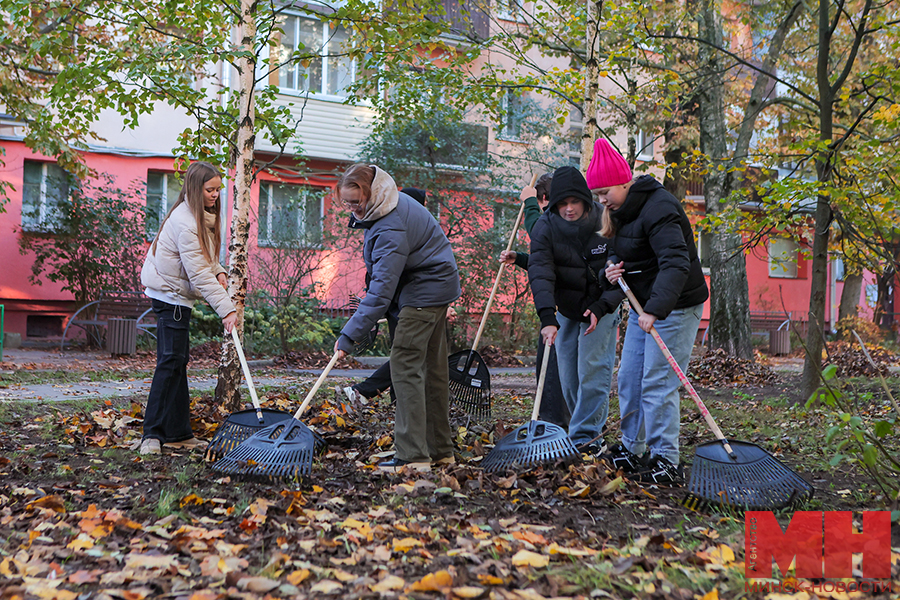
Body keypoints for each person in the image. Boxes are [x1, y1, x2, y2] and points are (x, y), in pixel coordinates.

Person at [588, 138, 709, 485]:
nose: (602, 201)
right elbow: (616, 254)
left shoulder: (659, 207)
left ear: (625, 181)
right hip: (646, 307)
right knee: (629, 377)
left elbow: (675, 262)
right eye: (597, 195)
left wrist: (655, 309)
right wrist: (609, 271)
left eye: (605, 191)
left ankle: (665, 460)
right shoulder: (619, 212)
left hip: (676, 306)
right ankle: (633, 447)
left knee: (657, 383)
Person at [333, 166, 460, 472]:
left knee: (404, 364)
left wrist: (349, 336)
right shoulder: (386, 205)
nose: (352, 210)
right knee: (431, 368)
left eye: (356, 202)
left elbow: (381, 290)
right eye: (347, 203)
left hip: (425, 291)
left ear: (372, 193)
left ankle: (413, 456)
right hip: (432, 286)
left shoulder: (390, 223)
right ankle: (439, 450)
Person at [139, 161, 237, 456]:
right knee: (169, 363)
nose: (216, 195)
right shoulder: (185, 222)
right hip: (170, 297)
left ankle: (179, 433)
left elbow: (203, 258)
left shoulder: (199, 216)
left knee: (177, 363)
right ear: (196, 189)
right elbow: (197, 274)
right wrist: (226, 309)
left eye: (219, 189)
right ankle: (151, 435)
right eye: (210, 189)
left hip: (177, 295)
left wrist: (218, 268)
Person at [527, 165, 618, 454]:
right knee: (568, 374)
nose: (569, 209)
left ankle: (587, 438)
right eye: (562, 203)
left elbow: (622, 270)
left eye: (574, 202)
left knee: (592, 369)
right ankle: (584, 427)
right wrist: (547, 317)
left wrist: (602, 306)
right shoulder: (545, 226)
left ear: (584, 198)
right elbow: (541, 272)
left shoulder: (607, 220)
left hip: (601, 305)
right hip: (566, 308)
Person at [340, 188, 427, 405]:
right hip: (402, 302)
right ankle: (363, 391)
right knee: (407, 354)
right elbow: (391, 276)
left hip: (401, 300)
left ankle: (397, 399)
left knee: (408, 353)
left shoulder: (405, 227)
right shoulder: (398, 229)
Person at [498, 173, 570, 429]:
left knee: (553, 368)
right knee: (547, 365)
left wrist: (529, 203)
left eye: (538, 203)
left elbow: (539, 233)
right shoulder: (561, 219)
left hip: (565, 307)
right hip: (559, 303)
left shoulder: (560, 217)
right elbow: (549, 262)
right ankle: (554, 419)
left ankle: (554, 423)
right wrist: (519, 258)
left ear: (544, 199)